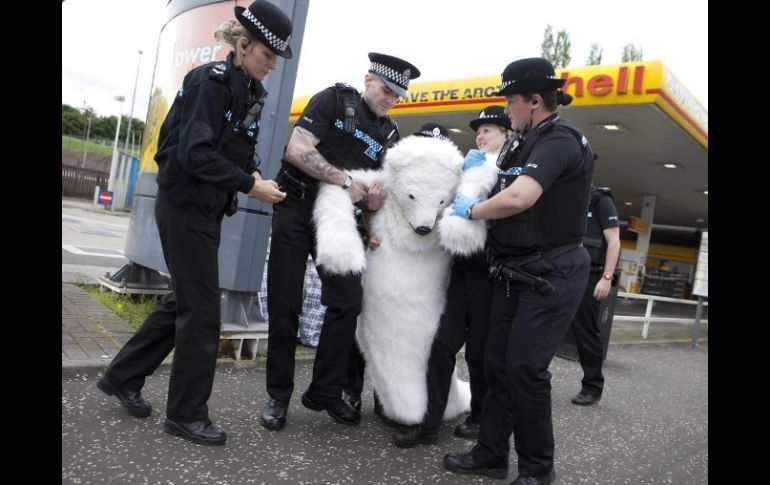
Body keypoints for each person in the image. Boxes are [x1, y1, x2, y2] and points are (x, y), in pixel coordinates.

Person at [95, 0, 293, 446]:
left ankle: (122, 376)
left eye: (277, 58)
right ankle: (186, 414)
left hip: (203, 209)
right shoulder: (213, 82)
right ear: (243, 45)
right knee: (202, 312)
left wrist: (254, 174)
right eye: (267, 55)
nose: (273, 65)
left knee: (181, 302)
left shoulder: (246, 88)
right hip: (184, 205)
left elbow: (231, 147)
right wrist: (249, 185)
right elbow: (194, 153)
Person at [443, 57, 595, 485]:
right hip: (512, 271)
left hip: (552, 273)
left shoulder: (560, 140)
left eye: (511, 100)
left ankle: (536, 471)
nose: (506, 108)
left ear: (534, 100)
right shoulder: (519, 142)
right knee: (495, 366)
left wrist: (471, 210)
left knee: (525, 370)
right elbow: (499, 185)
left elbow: (520, 198)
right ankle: (490, 454)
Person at [260, 52, 420, 431]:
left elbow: (371, 193)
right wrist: (346, 182)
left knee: (347, 301)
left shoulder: (390, 133)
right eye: (386, 89)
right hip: (297, 206)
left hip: (338, 220)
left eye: (398, 95)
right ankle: (278, 396)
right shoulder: (333, 100)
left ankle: (325, 391)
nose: (390, 99)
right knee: (286, 305)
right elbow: (297, 151)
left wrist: (372, 211)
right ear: (368, 79)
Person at [393, 105, 511, 448]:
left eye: (489, 129)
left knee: (479, 353)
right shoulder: (465, 168)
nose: (481, 134)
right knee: (441, 345)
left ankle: (479, 417)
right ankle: (428, 425)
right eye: (479, 130)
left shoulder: (510, 169)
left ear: (506, 134)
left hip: (491, 272)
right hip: (462, 270)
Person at [569, 185, 620, 406]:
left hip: (590, 275)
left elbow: (614, 241)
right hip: (561, 271)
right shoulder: (564, 194)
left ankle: (592, 386)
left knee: (585, 332)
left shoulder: (599, 200)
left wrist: (607, 277)